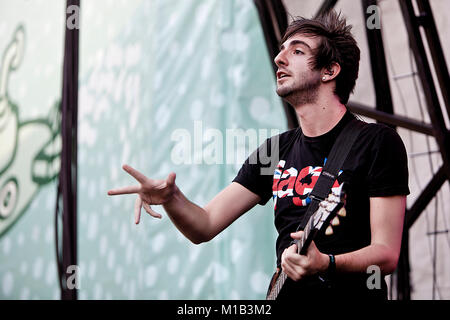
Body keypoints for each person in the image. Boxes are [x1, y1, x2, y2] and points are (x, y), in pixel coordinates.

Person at [108, 10, 409, 300]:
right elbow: (204, 225)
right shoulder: (275, 151)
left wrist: (326, 263)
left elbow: (385, 254)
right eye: (281, 50)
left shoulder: (377, 143)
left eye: (298, 51)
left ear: (330, 71)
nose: (279, 58)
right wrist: (171, 199)